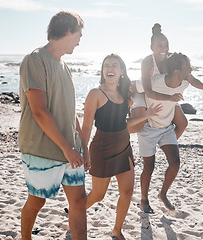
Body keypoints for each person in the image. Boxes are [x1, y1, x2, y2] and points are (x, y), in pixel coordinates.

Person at [18, 11, 89, 239]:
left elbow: (70, 111)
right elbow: (39, 111)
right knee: (37, 201)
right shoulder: (34, 60)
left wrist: (82, 146)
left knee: (79, 201)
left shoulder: (64, 67)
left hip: (71, 150)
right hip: (43, 149)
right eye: (79, 34)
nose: (80, 41)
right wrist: (66, 148)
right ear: (68, 31)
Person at [81, 54, 162, 240]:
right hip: (101, 149)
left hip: (124, 147)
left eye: (114, 65)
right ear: (102, 71)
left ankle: (117, 230)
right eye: (106, 65)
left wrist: (147, 114)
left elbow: (123, 122)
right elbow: (86, 126)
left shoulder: (124, 94)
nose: (110, 68)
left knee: (127, 192)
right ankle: (76, 213)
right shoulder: (95, 94)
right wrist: (84, 151)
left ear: (122, 71)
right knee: (98, 195)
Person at [129, 23, 203, 139]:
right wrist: (170, 97)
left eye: (166, 46)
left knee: (182, 123)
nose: (164, 49)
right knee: (136, 126)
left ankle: (167, 143)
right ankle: (118, 130)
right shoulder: (147, 61)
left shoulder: (171, 59)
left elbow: (190, 78)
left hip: (166, 92)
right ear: (151, 47)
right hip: (143, 91)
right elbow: (147, 91)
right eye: (160, 46)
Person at [129, 52, 194, 213]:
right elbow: (133, 86)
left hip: (165, 128)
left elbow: (193, 80)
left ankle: (162, 194)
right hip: (148, 126)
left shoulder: (176, 73)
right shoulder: (149, 63)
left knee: (175, 163)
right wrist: (128, 99)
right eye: (187, 66)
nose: (163, 49)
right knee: (149, 167)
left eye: (166, 46)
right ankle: (144, 200)